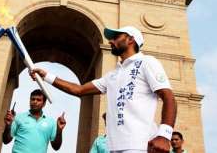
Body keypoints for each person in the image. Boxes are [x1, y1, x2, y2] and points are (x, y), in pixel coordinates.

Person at [31, 26, 177, 153]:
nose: (111, 41)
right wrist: (46, 76)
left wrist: (164, 135)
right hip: (114, 147)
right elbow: (79, 90)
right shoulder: (112, 75)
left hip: (140, 145)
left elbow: (168, 96)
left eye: (116, 37)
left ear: (131, 40)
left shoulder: (147, 62)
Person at [2, 89, 66, 153]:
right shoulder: (18, 117)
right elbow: (6, 140)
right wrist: (8, 125)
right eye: (32, 99)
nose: (35, 102)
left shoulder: (51, 122)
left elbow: (56, 147)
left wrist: (59, 130)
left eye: (38, 100)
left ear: (44, 103)